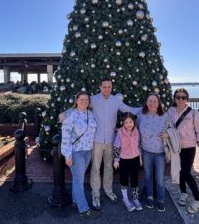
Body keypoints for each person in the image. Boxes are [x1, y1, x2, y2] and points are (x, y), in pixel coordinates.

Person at [60, 78, 140, 211]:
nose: (107, 89)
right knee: (95, 169)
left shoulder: (116, 100)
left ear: (112, 87)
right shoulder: (93, 99)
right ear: (100, 87)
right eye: (104, 87)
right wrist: (64, 113)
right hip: (96, 142)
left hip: (110, 140)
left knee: (109, 167)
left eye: (109, 87)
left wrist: (148, 108)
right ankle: (95, 195)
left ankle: (108, 191)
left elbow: (130, 110)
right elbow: (80, 106)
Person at [166, 88, 199, 214]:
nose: (180, 100)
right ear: (174, 98)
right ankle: (183, 193)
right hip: (176, 147)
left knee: (186, 172)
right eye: (178, 97)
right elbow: (168, 127)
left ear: (187, 99)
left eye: (183, 97)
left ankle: (198, 198)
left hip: (189, 148)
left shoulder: (193, 113)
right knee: (180, 171)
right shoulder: (170, 111)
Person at [61, 91, 98, 219]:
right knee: (78, 180)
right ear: (76, 100)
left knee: (78, 178)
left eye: (86, 99)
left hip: (88, 150)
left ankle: (76, 201)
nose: (84, 101)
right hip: (76, 152)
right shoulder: (70, 114)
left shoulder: (90, 113)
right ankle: (84, 209)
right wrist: (67, 155)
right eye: (81, 99)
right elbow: (65, 136)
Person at [138, 94, 168, 212]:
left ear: (158, 103)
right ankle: (150, 197)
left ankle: (160, 199)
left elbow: (173, 128)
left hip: (160, 152)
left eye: (154, 101)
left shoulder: (165, 116)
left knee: (160, 178)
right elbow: (135, 132)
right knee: (148, 176)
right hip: (146, 152)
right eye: (150, 101)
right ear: (147, 102)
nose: (152, 103)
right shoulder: (142, 115)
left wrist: (168, 134)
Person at [113, 112, 143, 212]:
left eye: (130, 122)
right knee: (124, 180)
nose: (128, 124)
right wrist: (116, 160)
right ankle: (125, 199)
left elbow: (138, 145)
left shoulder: (136, 131)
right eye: (126, 122)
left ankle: (135, 198)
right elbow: (117, 146)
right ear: (123, 123)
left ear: (133, 122)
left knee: (135, 180)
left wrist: (140, 158)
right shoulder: (120, 132)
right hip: (124, 160)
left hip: (135, 159)